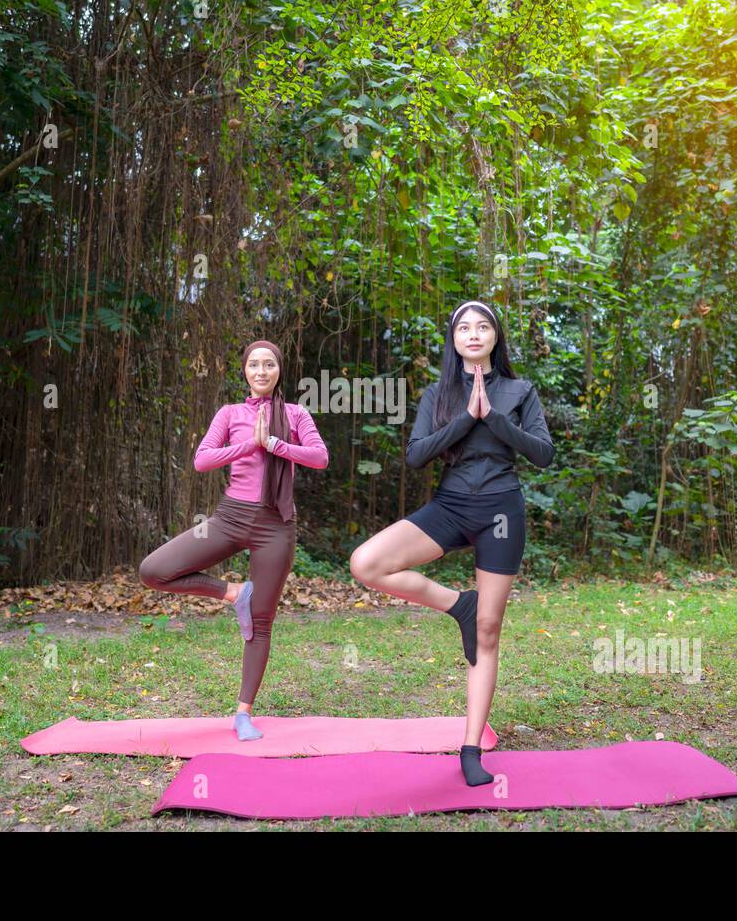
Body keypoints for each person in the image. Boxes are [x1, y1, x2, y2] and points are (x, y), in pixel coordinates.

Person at [349, 300, 554, 785]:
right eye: (465, 328)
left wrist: (496, 420)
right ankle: (457, 605)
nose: (475, 334)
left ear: (496, 337)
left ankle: (470, 748)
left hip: (502, 510)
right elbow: (417, 454)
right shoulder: (437, 393)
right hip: (451, 506)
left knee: (488, 631)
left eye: (484, 327)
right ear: (455, 339)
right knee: (367, 563)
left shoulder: (520, 390)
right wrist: (466, 417)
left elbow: (543, 453)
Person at [139, 340, 328, 741]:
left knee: (261, 622)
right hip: (228, 518)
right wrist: (250, 445)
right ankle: (234, 592)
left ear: (279, 370)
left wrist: (276, 445)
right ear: (244, 370)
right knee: (154, 570)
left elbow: (319, 456)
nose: (261, 371)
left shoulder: (295, 413)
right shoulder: (230, 413)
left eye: (269, 365)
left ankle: (243, 714)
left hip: (276, 525)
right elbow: (202, 459)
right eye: (254, 365)